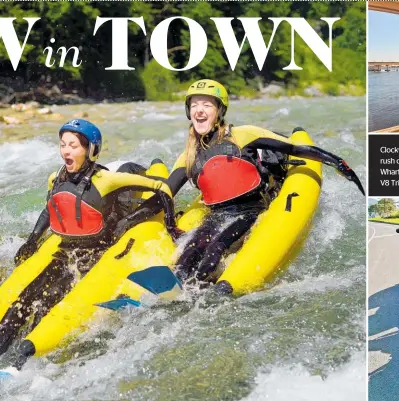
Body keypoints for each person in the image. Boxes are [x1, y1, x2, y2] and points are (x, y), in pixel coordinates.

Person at [118, 79, 364, 286]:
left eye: (207, 105)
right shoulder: (189, 156)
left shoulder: (242, 135)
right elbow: (166, 193)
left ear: (219, 111)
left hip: (248, 210)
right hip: (215, 214)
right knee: (186, 257)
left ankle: (207, 292)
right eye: (194, 105)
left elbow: (294, 147)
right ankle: (176, 293)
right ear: (188, 111)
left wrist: (338, 163)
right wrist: (129, 220)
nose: (199, 111)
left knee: (212, 254)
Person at [0, 119, 178, 368]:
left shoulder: (107, 179)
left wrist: (169, 226)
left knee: (48, 302)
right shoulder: (55, 178)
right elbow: (50, 210)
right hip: (66, 251)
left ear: (90, 150)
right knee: (25, 299)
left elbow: (162, 188)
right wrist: (32, 240)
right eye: (63, 145)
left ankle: (20, 364)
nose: (66, 151)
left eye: (73, 146)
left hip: (96, 251)